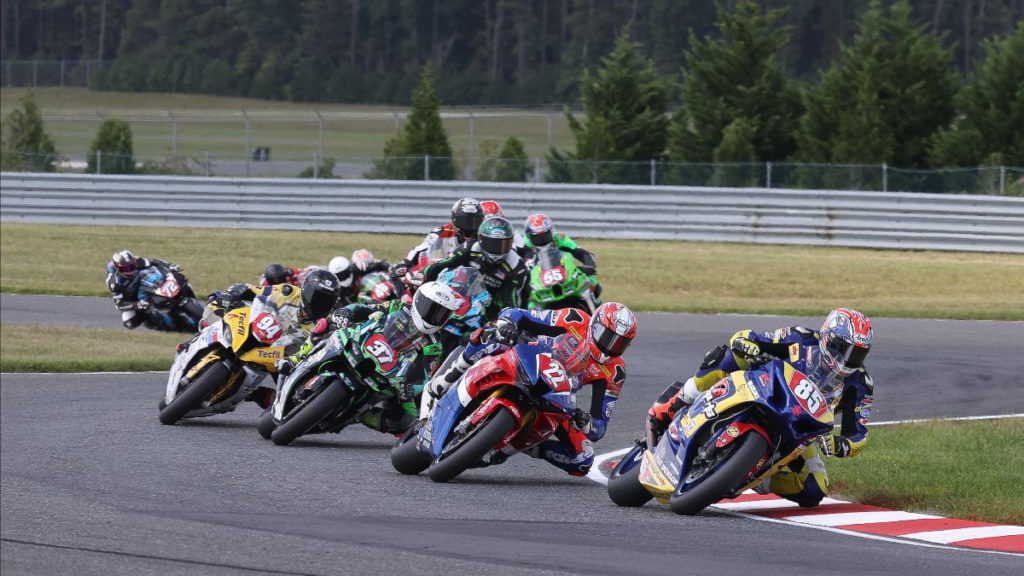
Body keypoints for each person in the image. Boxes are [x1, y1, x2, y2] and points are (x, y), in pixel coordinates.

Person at [647, 308, 874, 508]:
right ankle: (678, 400)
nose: (847, 359)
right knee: (728, 355)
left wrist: (840, 445)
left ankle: (754, 474)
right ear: (828, 338)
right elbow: (753, 337)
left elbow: (858, 434)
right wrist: (747, 343)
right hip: (764, 390)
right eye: (844, 349)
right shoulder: (802, 338)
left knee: (815, 488)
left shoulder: (860, 383)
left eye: (857, 353)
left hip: (799, 428)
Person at [428, 302, 639, 476]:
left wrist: (586, 423)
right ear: (595, 325)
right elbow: (520, 314)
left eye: (620, 343)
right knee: (492, 337)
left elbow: (600, 426)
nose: (611, 346)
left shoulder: (615, 371)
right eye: (608, 336)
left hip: (558, 395)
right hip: (530, 360)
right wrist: (508, 324)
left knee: (583, 459)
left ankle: (526, 445)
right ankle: (451, 376)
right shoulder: (575, 318)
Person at [290, 281, 462, 433]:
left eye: (441, 313)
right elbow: (366, 308)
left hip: (390, 375)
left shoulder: (434, 345)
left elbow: (425, 375)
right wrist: (345, 313)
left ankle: (358, 416)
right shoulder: (398, 306)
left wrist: (411, 388)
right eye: (430, 308)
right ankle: (296, 358)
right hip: (361, 343)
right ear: (419, 300)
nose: (433, 316)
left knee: (406, 420)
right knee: (325, 325)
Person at [420, 216, 527, 320]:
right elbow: (443, 264)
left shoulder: (516, 267)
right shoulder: (470, 248)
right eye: (492, 243)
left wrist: (504, 320)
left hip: (490, 306)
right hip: (460, 294)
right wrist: (422, 275)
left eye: (502, 244)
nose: (496, 249)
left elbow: (510, 299)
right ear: (481, 240)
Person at [389, 197, 485, 284]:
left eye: (475, 221)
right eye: (465, 221)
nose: (470, 226)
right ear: (455, 220)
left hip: (473, 281)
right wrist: (405, 263)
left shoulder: (485, 237)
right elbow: (421, 248)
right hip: (443, 278)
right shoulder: (442, 231)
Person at [106, 249, 191, 330]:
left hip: (143, 283)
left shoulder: (138, 261)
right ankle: (150, 322)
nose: (130, 270)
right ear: (118, 269)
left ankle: (173, 294)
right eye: (126, 269)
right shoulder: (115, 284)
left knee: (176, 277)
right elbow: (120, 304)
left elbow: (154, 262)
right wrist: (136, 305)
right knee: (129, 323)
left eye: (132, 266)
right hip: (130, 297)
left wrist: (169, 265)